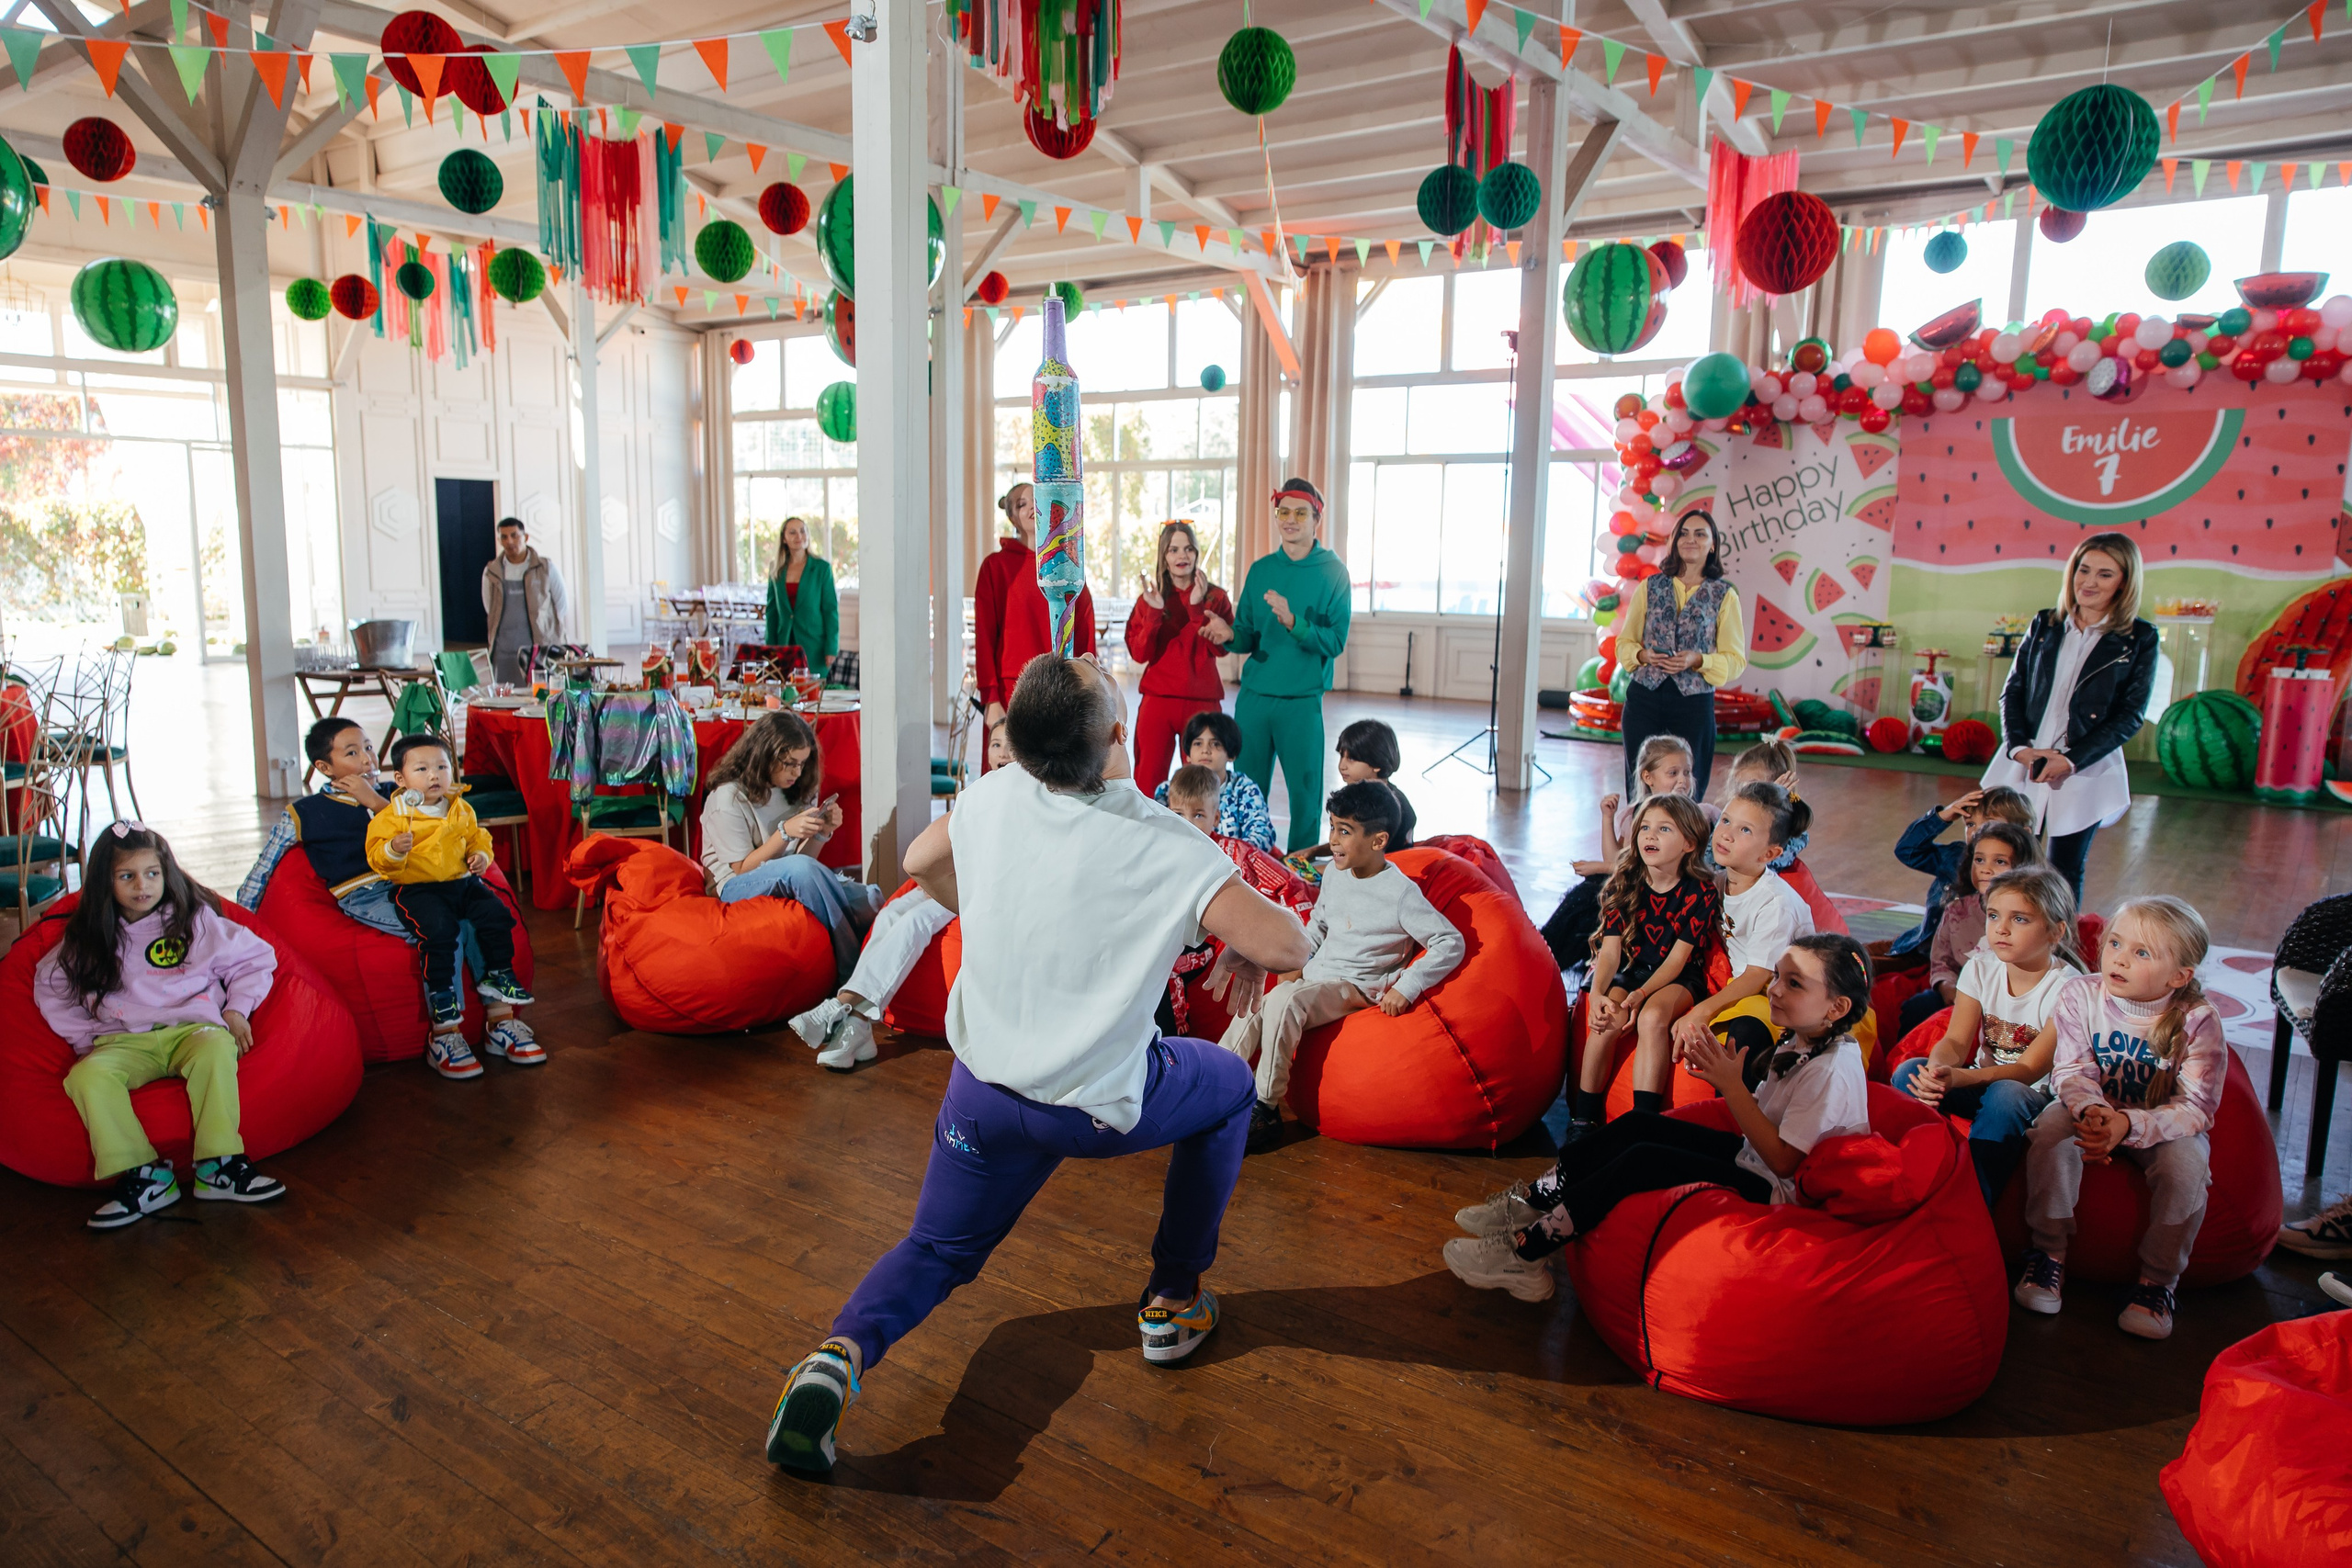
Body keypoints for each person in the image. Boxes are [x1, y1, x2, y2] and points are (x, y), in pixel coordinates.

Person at [763, 654, 1314, 1474]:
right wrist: (1244, 946)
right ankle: (1173, 1300)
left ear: (1020, 746)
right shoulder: (1168, 838)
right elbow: (1290, 940)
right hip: (1094, 1105)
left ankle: (835, 1358)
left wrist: (982, 897)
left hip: (980, 1092)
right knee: (1230, 1090)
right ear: (1120, 739)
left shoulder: (990, 797)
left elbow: (916, 861)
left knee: (935, 1249)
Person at [1444, 934, 1873, 1302]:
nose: (1774, 989)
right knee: (1636, 1126)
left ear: (1836, 1008)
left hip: (1781, 1190)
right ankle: (1531, 1204)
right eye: (1777, 975)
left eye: (1794, 983)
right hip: (1757, 1160)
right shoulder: (1803, 1038)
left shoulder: (1830, 1070)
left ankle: (1526, 1255)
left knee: (1641, 1160)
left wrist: (1732, 1085)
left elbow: (1784, 1162)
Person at [240, 717, 539, 1078]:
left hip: (419, 882)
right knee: (443, 930)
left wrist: (378, 800)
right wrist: (242, 924)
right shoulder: (303, 812)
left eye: (368, 747)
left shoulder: (400, 791)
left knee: (475, 915)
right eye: (352, 753)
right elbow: (263, 868)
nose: (367, 759)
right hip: (367, 893)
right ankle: (444, 1034)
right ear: (324, 767)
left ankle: (499, 1021)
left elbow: (440, 827)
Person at [37, 824, 288, 1228]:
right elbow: (52, 985)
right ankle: (145, 1176)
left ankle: (219, 1165)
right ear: (106, 880)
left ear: (166, 873)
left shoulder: (195, 920)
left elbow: (255, 958)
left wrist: (237, 1009)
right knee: (86, 1077)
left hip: (192, 1029)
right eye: (127, 876)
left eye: (152, 873)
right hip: (123, 1040)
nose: (143, 886)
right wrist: (85, 1040)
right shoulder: (89, 935)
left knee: (216, 1049)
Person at [2015, 896, 2223, 1341]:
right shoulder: (2080, 994)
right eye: (2114, 943)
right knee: (2050, 1133)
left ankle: (2158, 1283)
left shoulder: (2198, 1019)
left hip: (2161, 1123)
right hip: (2089, 1109)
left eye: (2141, 953)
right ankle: (2048, 1253)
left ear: (2179, 976)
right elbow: (2070, 1070)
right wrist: (2094, 1112)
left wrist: (2130, 1126)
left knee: (2187, 1167)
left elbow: (2197, 1108)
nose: (2119, 959)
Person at [1217, 779, 1464, 1155]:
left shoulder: (1400, 893)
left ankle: (1265, 1108)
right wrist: (1294, 959)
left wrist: (1407, 987)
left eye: (1344, 831)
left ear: (1378, 841)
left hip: (1356, 985)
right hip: (1318, 977)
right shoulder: (1334, 873)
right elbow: (1318, 925)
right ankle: (1213, 1083)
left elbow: (1450, 941)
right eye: (1332, 827)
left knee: (1285, 1002)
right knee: (1263, 1003)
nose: (1332, 839)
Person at [785, 726, 1021, 1074]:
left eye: (1010, 747)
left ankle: (842, 1005)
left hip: (985, 890)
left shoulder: (1025, 796)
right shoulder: (983, 791)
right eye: (995, 744)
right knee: (894, 910)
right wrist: (938, 874)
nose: (1001, 753)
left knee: (916, 921)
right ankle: (859, 1025)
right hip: (959, 878)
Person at [1982, 532, 2161, 903]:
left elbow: (2130, 715)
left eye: (2105, 574)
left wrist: (2071, 759)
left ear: (2125, 582)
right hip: (2024, 759)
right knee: (2006, 862)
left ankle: (2061, 951)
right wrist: (2018, 747)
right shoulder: (2045, 624)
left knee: (2064, 870)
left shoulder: (2140, 638)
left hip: (2085, 767)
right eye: (2084, 569)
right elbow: (2012, 690)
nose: (2089, 582)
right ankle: (1998, 942)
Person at [1896, 867, 2081, 1208]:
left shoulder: (2069, 989)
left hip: (2037, 1097)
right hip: (1982, 1081)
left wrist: (1960, 1077)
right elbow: (1955, 1041)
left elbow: (2028, 1070)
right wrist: (1936, 1072)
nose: (2001, 929)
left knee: (2007, 1094)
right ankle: (1913, 1179)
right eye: (1994, 915)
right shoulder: (1980, 967)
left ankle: (1975, 1203)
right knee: (1907, 1073)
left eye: (2020, 919)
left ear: (2056, 931)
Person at [1562, 795, 1719, 1142]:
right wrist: (1600, 994)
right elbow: (1610, 951)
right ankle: (1583, 1119)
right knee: (1605, 1022)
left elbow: (1678, 961)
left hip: (1678, 976)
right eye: (1645, 828)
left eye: (1664, 829)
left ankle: (1643, 1121)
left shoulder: (1699, 892)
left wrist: (1642, 995)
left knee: (1651, 1019)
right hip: (1634, 969)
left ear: (1689, 843)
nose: (1650, 835)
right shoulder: (1625, 881)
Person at [1211, 479, 1351, 852]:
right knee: (1246, 792)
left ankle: (1300, 872)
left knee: (1305, 796)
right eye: (1283, 512)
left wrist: (1294, 623)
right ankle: (1245, 865)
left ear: (1316, 519)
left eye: (1300, 513)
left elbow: (1335, 642)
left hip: (1301, 702)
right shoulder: (1260, 570)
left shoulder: (1333, 573)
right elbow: (1246, 636)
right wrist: (1228, 635)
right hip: (1255, 699)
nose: (1290, 520)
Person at [366, 737, 534, 1044]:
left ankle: (499, 974)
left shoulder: (459, 807)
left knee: (497, 913)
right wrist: (393, 849)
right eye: (422, 769)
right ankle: (443, 994)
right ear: (401, 779)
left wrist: (481, 857)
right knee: (441, 932)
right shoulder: (392, 816)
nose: (435, 775)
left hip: (461, 883)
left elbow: (477, 837)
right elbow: (378, 860)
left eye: (442, 767)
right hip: (419, 889)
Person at [700, 710, 876, 989]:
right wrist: (784, 833)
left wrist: (823, 832)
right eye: (790, 763)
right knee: (811, 876)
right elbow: (743, 868)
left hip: (789, 875)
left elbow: (802, 864)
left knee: (873, 898)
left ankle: (886, 970)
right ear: (764, 756)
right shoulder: (728, 798)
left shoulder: (797, 787)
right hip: (733, 885)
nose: (797, 772)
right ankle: (853, 977)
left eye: (803, 764)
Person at [1667, 782, 1816, 1091]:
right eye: (1725, 820)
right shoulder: (1717, 882)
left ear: (1770, 853)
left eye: (1745, 830)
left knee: (1745, 1035)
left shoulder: (1775, 902)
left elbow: (1758, 976)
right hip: (1739, 985)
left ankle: (1737, 1122)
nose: (1727, 834)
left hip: (1777, 992)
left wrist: (1703, 1011)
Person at [1159, 763, 1318, 1040]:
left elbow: (1289, 886)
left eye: (1198, 815)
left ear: (1216, 817)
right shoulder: (1159, 848)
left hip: (1203, 946)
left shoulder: (1232, 852)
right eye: (1178, 814)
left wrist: (1301, 943)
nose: (1187, 823)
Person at [1539, 733, 1713, 970]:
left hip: (1666, 891)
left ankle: (1548, 958)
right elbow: (1617, 861)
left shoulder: (1699, 813)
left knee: (1593, 893)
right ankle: (1545, 953)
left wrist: (1601, 867)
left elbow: (1643, 865)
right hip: (1634, 882)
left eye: (1687, 772)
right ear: (1648, 777)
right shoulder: (1635, 814)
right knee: (1589, 894)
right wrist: (1607, 818)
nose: (1682, 780)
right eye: (1673, 773)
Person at [1617, 510, 1746, 798]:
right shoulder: (1649, 587)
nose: (1691, 540)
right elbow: (1624, 643)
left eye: (1700, 534)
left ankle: (1686, 843)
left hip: (1693, 704)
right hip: (1644, 700)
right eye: (1684, 533)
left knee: (1688, 788)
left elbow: (1735, 659)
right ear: (1674, 541)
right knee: (1640, 786)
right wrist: (1643, 656)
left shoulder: (1724, 595)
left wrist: (1698, 660)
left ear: (1713, 544)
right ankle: (1639, 840)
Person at [974, 482, 1097, 765]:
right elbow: (984, 637)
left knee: (1052, 778)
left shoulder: (1068, 562)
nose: (1031, 507)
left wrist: (1086, 688)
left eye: (1036, 500)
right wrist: (990, 698)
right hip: (1010, 688)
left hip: (1059, 687)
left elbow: (1084, 628)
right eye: (1021, 504)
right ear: (1012, 517)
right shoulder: (995, 567)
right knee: (1003, 781)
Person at [1897, 820, 2044, 1038]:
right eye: (1979, 860)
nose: (1986, 868)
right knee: (1917, 1008)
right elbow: (1942, 960)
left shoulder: (2036, 914)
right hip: (1961, 997)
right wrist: (1947, 986)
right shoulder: (1957, 910)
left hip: (2015, 1005)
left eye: (2000, 861)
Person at [1125, 520, 1234, 795]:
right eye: (1173, 550)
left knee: (1204, 782)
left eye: (1188, 549)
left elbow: (1222, 648)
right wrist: (1153, 614)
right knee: (1147, 778)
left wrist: (1197, 608)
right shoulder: (1149, 599)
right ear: (1164, 556)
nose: (1182, 556)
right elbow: (1139, 654)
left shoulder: (1216, 597)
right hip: (1158, 700)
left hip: (1202, 701)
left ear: (1197, 553)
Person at [1880, 786, 2036, 961]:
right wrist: (1943, 816)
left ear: (2024, 833)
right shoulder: (1956, 856)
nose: (1976, 831)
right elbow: (1908, 850)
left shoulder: (2030, 882)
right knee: (1853, 956)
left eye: (1989, 823)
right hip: (1922, 944)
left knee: (1861, 974)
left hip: (1958, 962)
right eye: (1970, 824)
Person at [1150, 711, 1274, 851]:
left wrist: (1228, 855)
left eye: (1215, 744)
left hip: (1233, 864)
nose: (1205, 750)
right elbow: (1155, 831)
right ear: (1188, 754)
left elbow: (1262, 834)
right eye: (1198, 743)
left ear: (1231, 754)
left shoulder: (1245, 789)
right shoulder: (1168, 789)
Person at [481, 516, 570, 683]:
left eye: (515, 535)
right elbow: (489, 607)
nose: (510, 541)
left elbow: (562, 605)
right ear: (499, 540)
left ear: (526, 537)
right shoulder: (491, 572)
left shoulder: (545, 567)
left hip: (539, 649)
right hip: (504, 650)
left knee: (541, 696)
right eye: (504, 537)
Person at [763, 515, 841, 671]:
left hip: (814, 645)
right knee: (785, 693)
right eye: (792, 532)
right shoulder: (776, 569)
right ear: (784, 539)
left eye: (803, 531)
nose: (799, 536)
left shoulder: (822, 569)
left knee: (812, 692)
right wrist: (770, 648)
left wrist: (831, 647)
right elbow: (772, 612)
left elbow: (830, 610)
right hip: (784, 643)